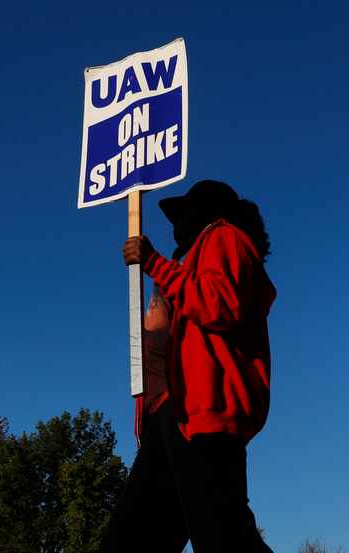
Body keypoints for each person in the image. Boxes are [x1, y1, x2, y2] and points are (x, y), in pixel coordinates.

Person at [101, 180, 276, 553]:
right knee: (136, 537)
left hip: (205, 414)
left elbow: (217, 302)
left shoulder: (224, 237)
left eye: (182, 216)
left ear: (206, 213)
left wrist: (153, 263)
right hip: (178, 414)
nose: (175, 227)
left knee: (222, 535)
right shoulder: (196, 258)